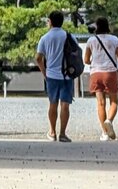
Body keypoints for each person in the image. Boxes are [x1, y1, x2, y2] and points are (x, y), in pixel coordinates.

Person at [35, 11, 82, 142]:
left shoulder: (45, 38)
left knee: (53, 104)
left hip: (51, 75)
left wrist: (44, 72)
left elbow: (38, 58)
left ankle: (52, 132)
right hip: (67, 75)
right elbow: (77, 52)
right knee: (65, 105)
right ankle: (62, 133)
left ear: (50, 21)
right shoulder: (69, 36)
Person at [84, 16, 118, 140]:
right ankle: (109, 121)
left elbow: (86, 60)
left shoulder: (91, 40)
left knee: (100, 103)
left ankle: (104, 133)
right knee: (114, 101)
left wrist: (95, 61)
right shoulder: (114, 39)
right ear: (107, 26)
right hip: (110, 73)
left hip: (96, 73)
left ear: (97, 27)